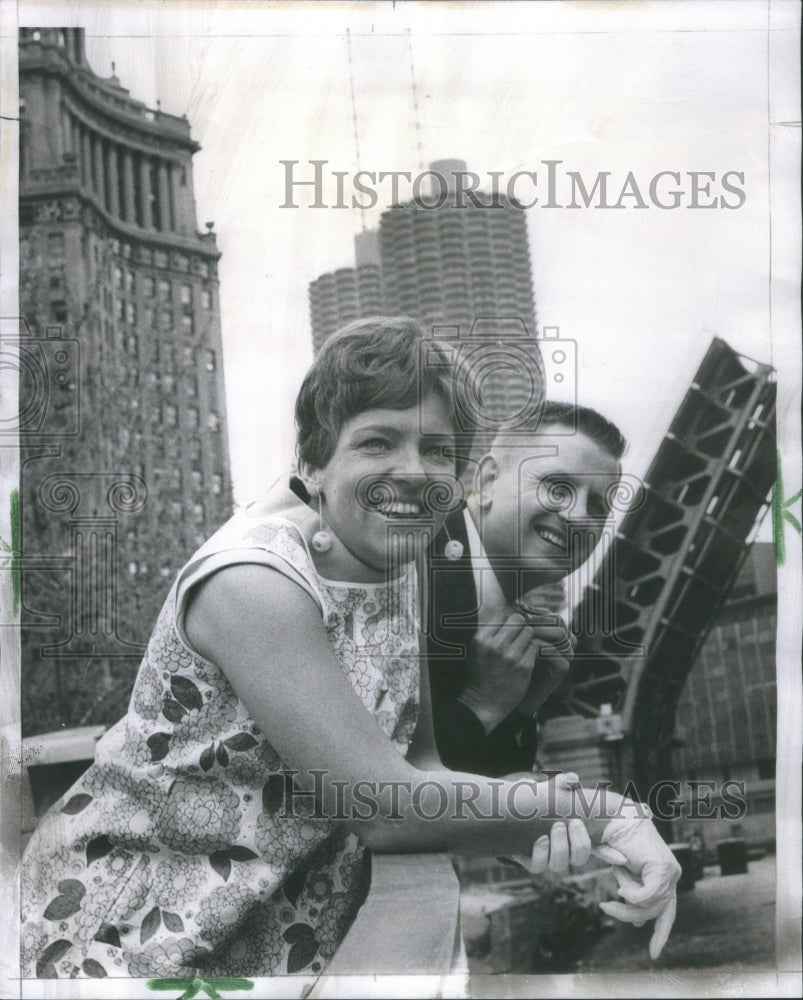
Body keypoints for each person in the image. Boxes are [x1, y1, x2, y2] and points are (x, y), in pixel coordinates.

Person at [21, 318, 679, 981]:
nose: (412, 472)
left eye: (437, 451)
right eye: (375, 442)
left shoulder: (403, 564)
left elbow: (421, 767)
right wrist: (604, 816)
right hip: (122, 942)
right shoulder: (252, 581)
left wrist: (536, 824)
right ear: (310, 463)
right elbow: (382, 806)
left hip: (272, 939)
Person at [427, 402, 626, 776]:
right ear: (486, 482)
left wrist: (519, 708)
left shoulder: (495, 604)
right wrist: (482, 704)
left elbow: (486, 797)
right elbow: (382, 792)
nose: (579, 515)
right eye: (557, 488)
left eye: (598, 506)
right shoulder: (415, 572)